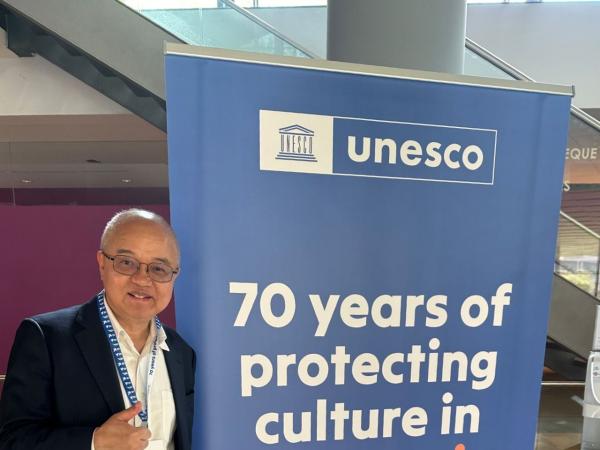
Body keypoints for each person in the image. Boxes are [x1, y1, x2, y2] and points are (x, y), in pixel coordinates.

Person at [0, 209, 195, 450]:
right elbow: (12, 441)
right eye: (127, 263)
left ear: (174, 276)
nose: (142, 280)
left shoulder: (181, 352)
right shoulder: (45, 338)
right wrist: (94, 441)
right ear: (102, 263)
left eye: (159, 269)